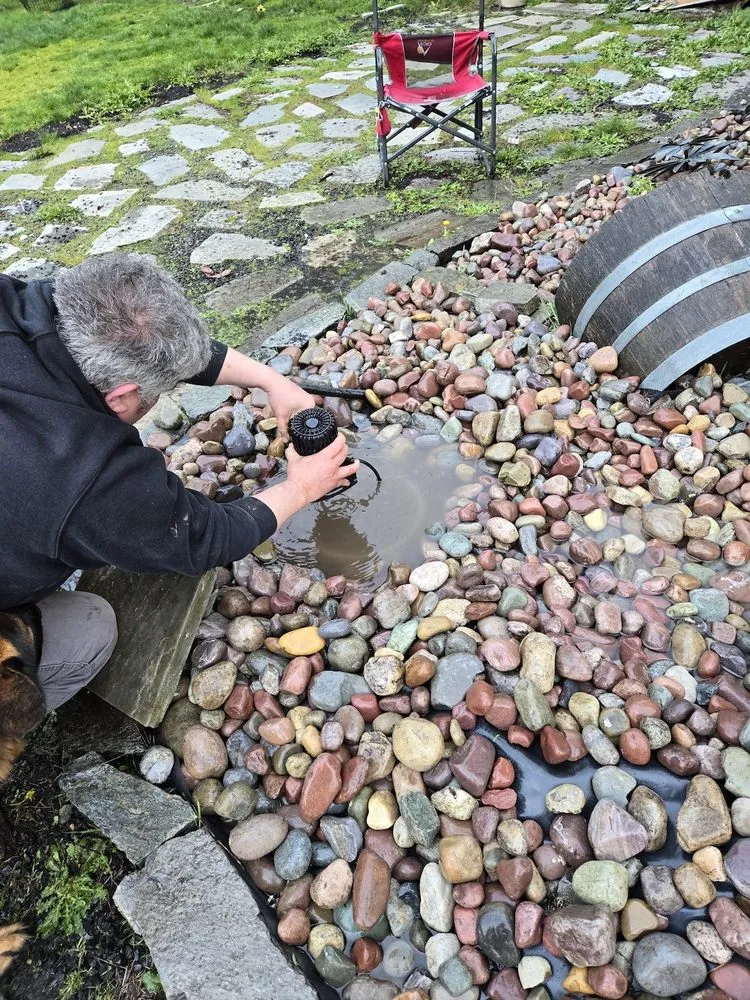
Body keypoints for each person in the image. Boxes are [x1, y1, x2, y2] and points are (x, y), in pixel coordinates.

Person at [0, 253, 358, 713]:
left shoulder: (32, 304)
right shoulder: (84, 474)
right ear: (123, 397)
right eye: (159, 390)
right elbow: (201, 537)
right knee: (90, 628)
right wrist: (303, 487)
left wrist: (270, 380)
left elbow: (146, 341)